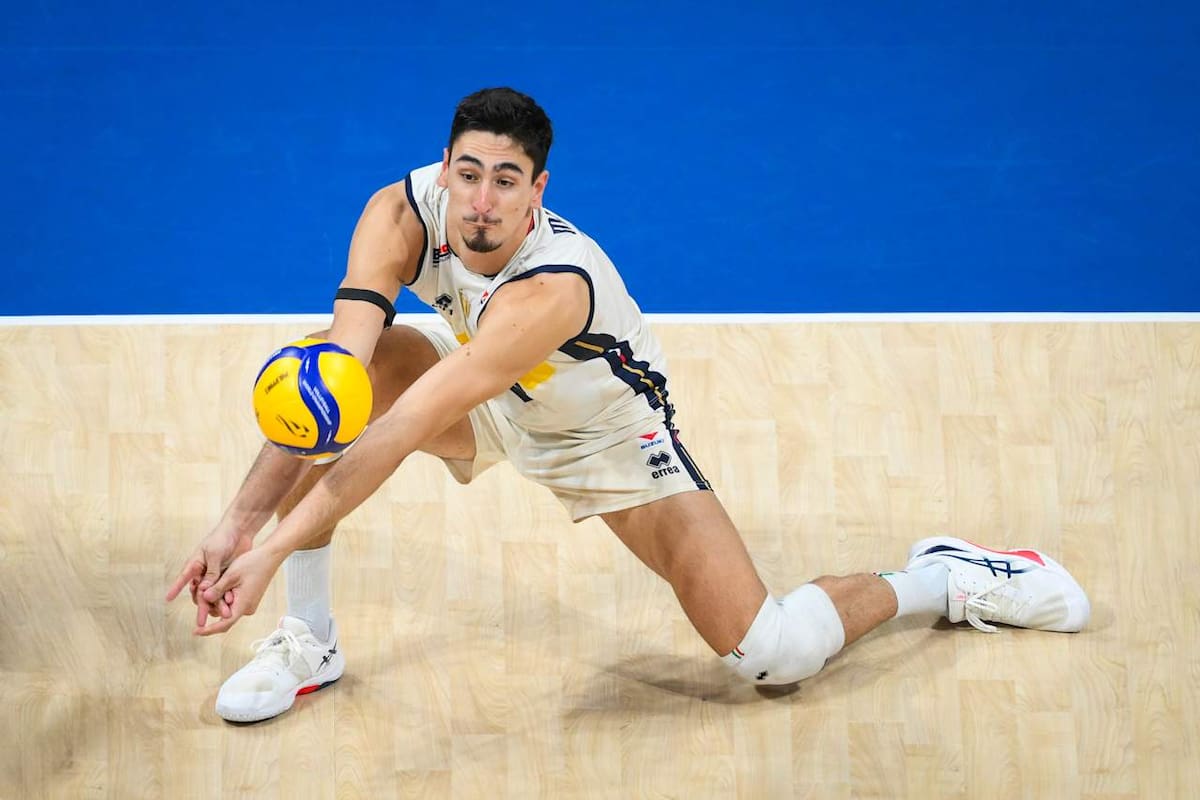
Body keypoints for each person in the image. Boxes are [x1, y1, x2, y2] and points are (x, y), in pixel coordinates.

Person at [165, 87, 1091, 723]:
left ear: (539, 191)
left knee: (771, 655)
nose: (482, 200)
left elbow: (404, 427)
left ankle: (946, 577)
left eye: (507, 180)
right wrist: (237, 525)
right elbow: (333, 392)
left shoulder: (552, 287)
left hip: (603, 433)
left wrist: (266, 547)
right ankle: (308, 643)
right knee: (332, 387)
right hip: (486, 393)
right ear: (443, 166)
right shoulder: (399, 218)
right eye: (470, 172)